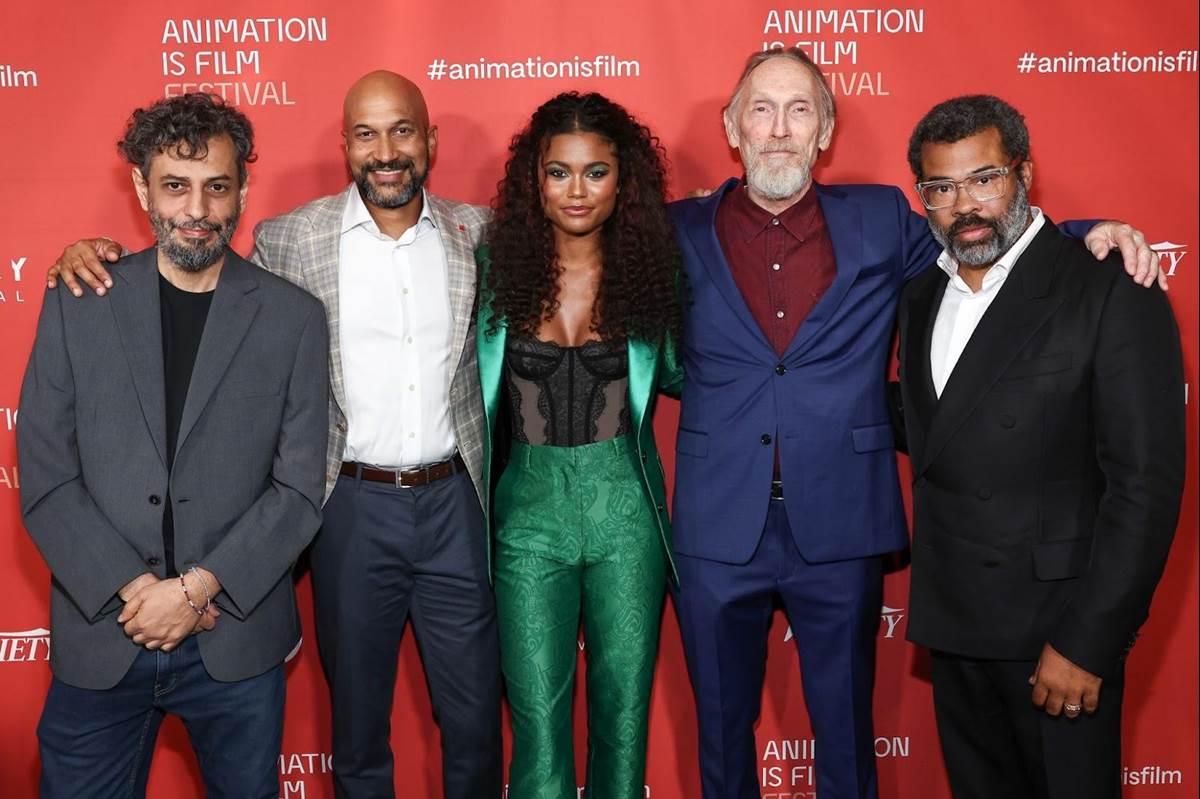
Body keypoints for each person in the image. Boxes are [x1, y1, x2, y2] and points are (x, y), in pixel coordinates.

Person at [666, 48, 1162, 799]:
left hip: (841, 521)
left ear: (825, 130)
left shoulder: (880, 220)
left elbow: (988, 233)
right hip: (715, 523)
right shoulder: (674, 231)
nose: (778, 129)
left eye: (800, 109)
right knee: (720, 741)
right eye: (760, 110)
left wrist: (1095, 231)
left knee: (847, 742)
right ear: (731, 128)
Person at [43, 71, 502, 799]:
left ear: (430, 140)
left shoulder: (481, 233)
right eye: (364, 133)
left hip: (453, 503)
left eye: (402, 130)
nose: (385, 150)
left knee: (477, 722)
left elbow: (579, 240)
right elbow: (51, 462)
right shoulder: (290, 239)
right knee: (358, 729)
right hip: (347, 505)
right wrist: (80, 253)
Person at [17, 93, 329, 798]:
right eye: (176, 186)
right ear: (141, 188)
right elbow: (44, 473)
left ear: (242, 189)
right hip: (103, 633)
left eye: (217, 186)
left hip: (235, 638)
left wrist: (195, 589)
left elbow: (301, 486)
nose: (197, 208)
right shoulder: (79, 299)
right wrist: (138, 593)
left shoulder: (294, 318)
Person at [895, 94, 1184, 799]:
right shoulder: (918, 297)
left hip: (1057, 636)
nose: (965, 204)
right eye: (941, 187)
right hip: (957, 629)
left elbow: (1144, 487)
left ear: (1023, 174)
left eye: (984, 178)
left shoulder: (1110, 286)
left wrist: (1089, 642)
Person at [475, 92, 683, 798]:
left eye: (595, 172)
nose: (576, 190)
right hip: (525, 514)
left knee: (624, 719)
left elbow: (690, 371)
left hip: (627, 511)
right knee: (535, 720)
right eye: (559, 171)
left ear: (624, 180)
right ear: (535, 179)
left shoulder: (656, 270)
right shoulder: (490, 267)